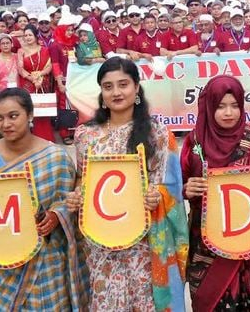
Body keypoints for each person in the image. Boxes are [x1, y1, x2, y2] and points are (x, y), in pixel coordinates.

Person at [65, 57, 188, 311]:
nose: (116, 92)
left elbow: (171, 189)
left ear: (136, 88)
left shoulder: (158, 134)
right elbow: (82, 179)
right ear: (101, 92)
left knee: (144, 302)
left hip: (144, 241)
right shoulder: (86, 134)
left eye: (123, 84)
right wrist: (77, 195)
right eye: (108, 86)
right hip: (98, 240)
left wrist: (157, 196)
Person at [0, 88, 88, 310]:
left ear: (30, 115)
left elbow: (72, 202)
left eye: (13, 116)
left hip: (49, 258)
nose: (6, 124)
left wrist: (56, 215)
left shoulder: (55, 155)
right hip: (5, 260)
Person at [181, 76, 250, 311]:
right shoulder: (194, 143)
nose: (228, 113)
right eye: (220, 106)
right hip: (205, 247)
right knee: (208, 301)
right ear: (208, 107)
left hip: (247, 245)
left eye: (235, 105)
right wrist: (186, 189)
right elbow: (178, 187)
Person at [17, 25, 55, 142]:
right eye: (25, 35)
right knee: (28, 112)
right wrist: (32, 79)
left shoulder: (44, 49)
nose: (27, 37)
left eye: (30, 35)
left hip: (43, 82)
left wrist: (40, 75)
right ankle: (29, 141)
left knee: (42, 111)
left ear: (35, 36)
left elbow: (49, 66)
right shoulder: (21, 51)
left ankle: (45, 138)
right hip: (27, 84)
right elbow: (20, 68)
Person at [0, 33, 19, 101]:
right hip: (3, 94)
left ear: (12, 44)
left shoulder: (17, 57)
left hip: (18, 92)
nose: (5, 45)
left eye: (7, 43)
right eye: (3, 43)